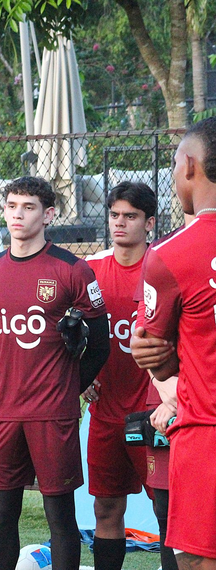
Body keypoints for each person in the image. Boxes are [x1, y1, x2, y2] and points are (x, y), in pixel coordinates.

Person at [0, 176, 110, 570]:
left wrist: (68, 389)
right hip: (3, 412)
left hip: (53, 413)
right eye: (12, 206)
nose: (18, 214)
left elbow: (99, 345)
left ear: (49, 214)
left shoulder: (73, 270)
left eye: (28, 207)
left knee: (60, 517)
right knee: (0, 515)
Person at [136, 118, 216, 569]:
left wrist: (150, 351)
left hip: (206, 434)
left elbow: (158, 358)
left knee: (197, 562)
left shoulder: (169, 255)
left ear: (189, 165)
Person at [83, 182, 156, 570]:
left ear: (150, 223)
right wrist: (82, 373)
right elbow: (67, 331)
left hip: (154, 411)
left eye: (130, 216)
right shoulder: (90, 270)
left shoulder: (163, 266)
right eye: (114, 215)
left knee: (167, 506)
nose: (120, 223)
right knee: (106, 507)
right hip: (106, 412)